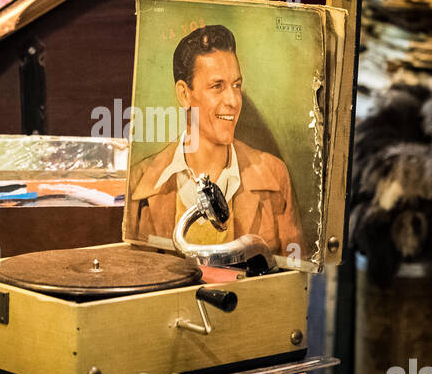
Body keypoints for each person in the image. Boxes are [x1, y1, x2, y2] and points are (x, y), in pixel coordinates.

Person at [125, 24, 304, 257]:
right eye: (217, 86)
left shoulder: (274, 175)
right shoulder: (139, 182)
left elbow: (296, 284)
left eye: (236, 85)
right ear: (184, 94)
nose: (233, 100)